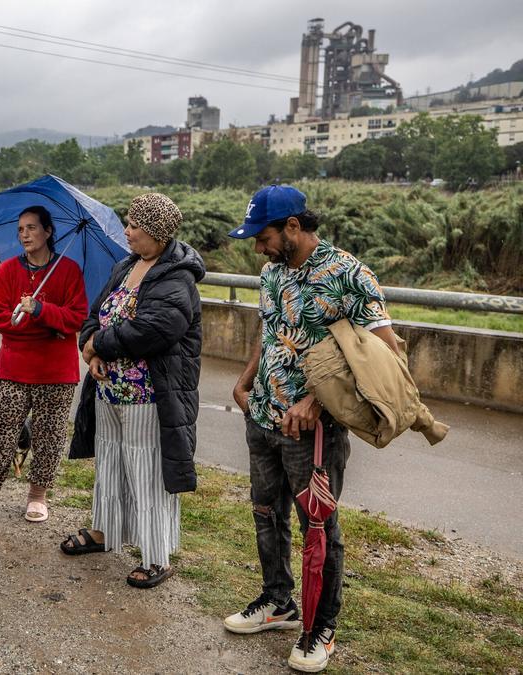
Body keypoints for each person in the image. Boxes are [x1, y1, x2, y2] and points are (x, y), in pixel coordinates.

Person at [222, 185, 396, 672]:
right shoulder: (272, 272)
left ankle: (321, 629)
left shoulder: (348, 273)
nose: (258, 246)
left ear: (293, 227)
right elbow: (272, 329)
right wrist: (246, 378)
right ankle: (278, 601)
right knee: (265, 512)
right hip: (262, 416)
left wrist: (316, 399)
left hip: (314, 431)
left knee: (317, 527)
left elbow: (384, 351)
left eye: (264, 236)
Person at [60, 193, 203, 592]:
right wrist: (89, 348)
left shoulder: (177, 276)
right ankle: (105, 530)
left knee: (147, 470)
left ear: (155, 232)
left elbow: (156, 330)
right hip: (110, 391)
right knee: (110, 462)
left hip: (149, 395)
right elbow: (95, 314)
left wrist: (97, 345)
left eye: (133, 225)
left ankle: (156, 554)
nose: (126, 231)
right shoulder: (127, 265)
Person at [0, 205, 85, 522]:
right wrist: (51, 327)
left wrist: (40, 310)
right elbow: (1, 320)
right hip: (14, 368)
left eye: (31, 228)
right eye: (20, 229)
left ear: (48, 232)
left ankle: (37, 497)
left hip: (56, 371)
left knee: (49, 434)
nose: (25, 234)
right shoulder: (7, 271)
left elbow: (77, 318)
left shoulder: (68, 271)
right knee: (3, 433)